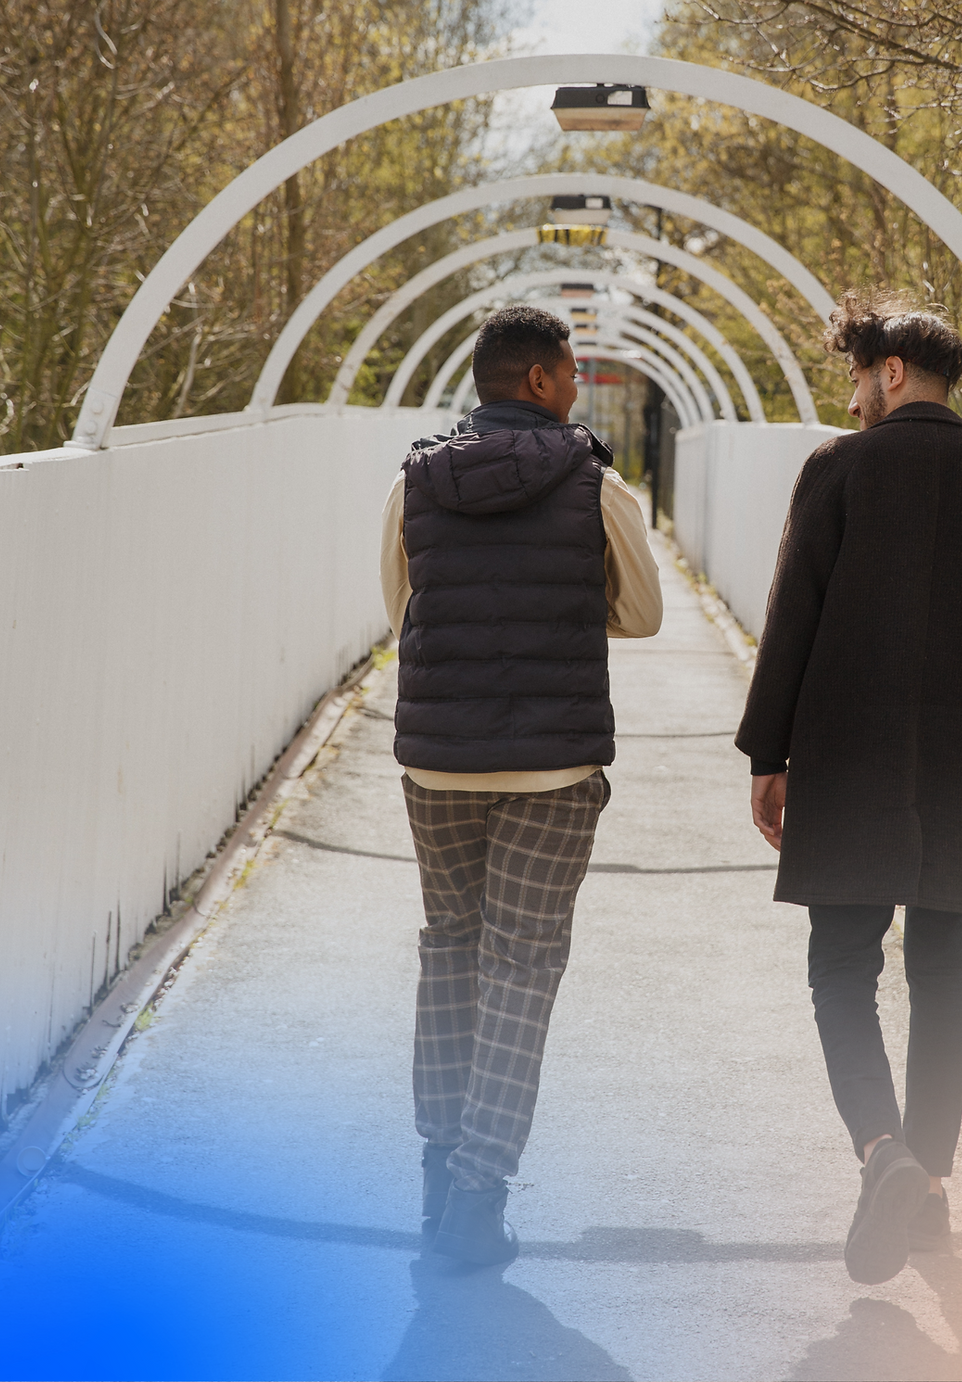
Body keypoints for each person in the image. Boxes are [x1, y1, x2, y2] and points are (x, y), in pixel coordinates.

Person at [735, 290, 962, 1286]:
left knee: (841, 965)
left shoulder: (838, 470)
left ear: (891, 373)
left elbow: (793, 617)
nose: (852, 399)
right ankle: (928, 1188)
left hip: (851, 758)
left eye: (858, 378)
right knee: (940, 972)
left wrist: (768, 754)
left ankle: (881, 1150)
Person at [379, 304, 662, 1266]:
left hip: (437, 761)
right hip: (554, 767)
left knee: (448, 949)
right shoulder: (595, 481)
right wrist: (567, 614)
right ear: (538, 379)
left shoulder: (413, 479)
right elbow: (644, 612)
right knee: (521, 969)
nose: (579, 384)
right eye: (573, 369)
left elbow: (403, 608)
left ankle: (436, 1171)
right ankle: (476, 1199)